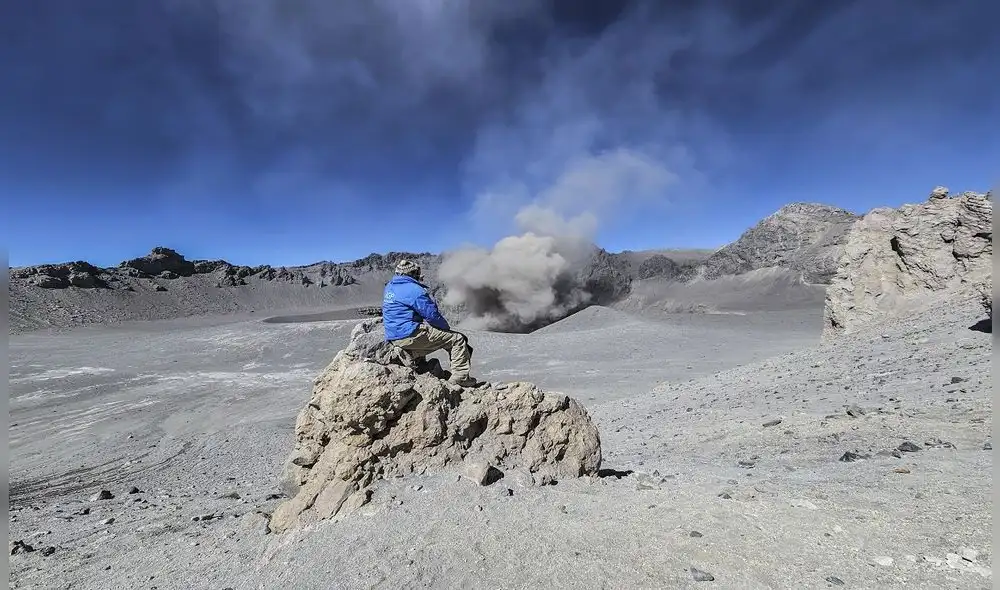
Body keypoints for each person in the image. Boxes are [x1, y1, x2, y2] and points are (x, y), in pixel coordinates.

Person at [382, 259, 478, 386]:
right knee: (457, 339)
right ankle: (461, 377)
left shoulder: (390, 286)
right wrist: (446, 329)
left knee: (427, 334)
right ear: (414, 274)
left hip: (393, 335)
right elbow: (432, 316)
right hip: (409, 333)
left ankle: (410, 354)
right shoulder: (414, 290)